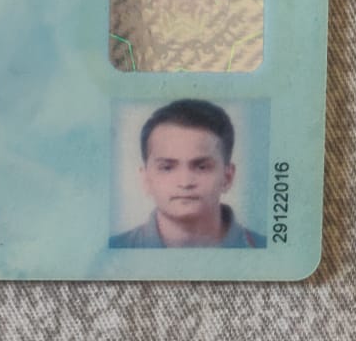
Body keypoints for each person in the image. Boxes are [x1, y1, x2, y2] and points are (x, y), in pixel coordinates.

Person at [110, 99, 266, 249]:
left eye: (202, 167)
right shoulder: (112, 250)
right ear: (146, 179)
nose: (185, 183)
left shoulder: (269, 251)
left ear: (227, 177)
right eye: (167, 168)